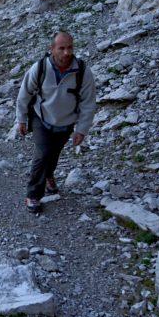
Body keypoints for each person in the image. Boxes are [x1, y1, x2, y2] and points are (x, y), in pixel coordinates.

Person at [15, 31, 96, 214]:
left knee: (53, 155)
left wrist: (81, 130)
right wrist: (21, 119)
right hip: (41, 119)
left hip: (65, 123)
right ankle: (33, 194)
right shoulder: (41, 67)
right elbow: (24, 94)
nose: (66, 53)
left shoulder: (82, 71)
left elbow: (88, 103)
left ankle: (49, 175)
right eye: (61, 48)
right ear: (52, 49)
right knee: (43, 154)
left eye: (70, 48)